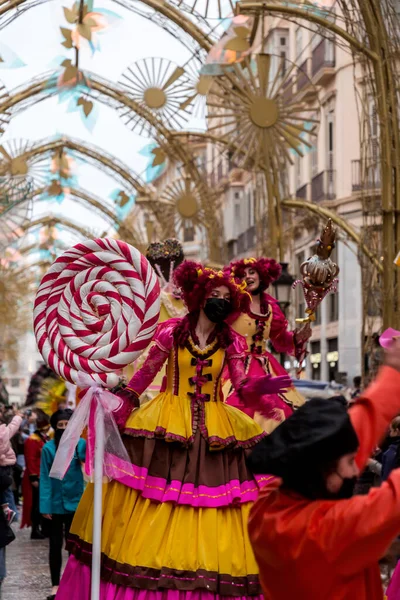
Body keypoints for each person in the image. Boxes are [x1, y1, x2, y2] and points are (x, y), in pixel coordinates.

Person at [55, 261, 291, 600]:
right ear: (199, 296)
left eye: (227, 296)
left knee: (217, 504)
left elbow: (240, 383)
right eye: (215, 294)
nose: (220, 301)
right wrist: (120, 406)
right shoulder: (171, 332)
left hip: (217, 427)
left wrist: (262, 391)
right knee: (154, 499)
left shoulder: (233, 342)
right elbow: (144, 375)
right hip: (166, 420)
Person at [247, 338, 400, 600]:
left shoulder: (267, 505)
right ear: (320, 470)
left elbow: (352, 434)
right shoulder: (326, 531)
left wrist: (394, 375)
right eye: (351, 462)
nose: (356, 470)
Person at [223, 257, 311, 432]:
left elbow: (279, 338)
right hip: (235, 368)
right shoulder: (232, 305)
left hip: (266, 367)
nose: (248, 277)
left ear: (262, 276)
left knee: (282, 412)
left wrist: (298, 336)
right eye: (243, 274)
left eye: (252, 272)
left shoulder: (270, 308)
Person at [40, 409, 86, 600]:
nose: (64, 428)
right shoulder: (48, 449)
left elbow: (89, 461)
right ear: (54, 427)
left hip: (77, 502)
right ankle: (55, 584)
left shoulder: (80, 444)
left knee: (74, 546)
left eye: (68, 424)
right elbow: (44, 478)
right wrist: (45, 506)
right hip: (56, 503)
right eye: (60, 426)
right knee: (55, 545)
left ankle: (72, 583)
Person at [21, 409, 50, 538]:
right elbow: (30, 459)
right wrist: (34, 477)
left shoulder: (42, 438)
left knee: (41, 503)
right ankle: (35, 529)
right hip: (35, 477)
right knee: (35, 504)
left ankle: (43, 528)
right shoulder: (32, 440)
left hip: (43, 476)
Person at [0, 410, 23, 522]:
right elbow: (13, 426)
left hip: (3, 466)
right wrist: (18, 417)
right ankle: (8, 510)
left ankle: (8, 510)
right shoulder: (4, 431)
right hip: (6, 465)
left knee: (4, 490)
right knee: (5, 490)